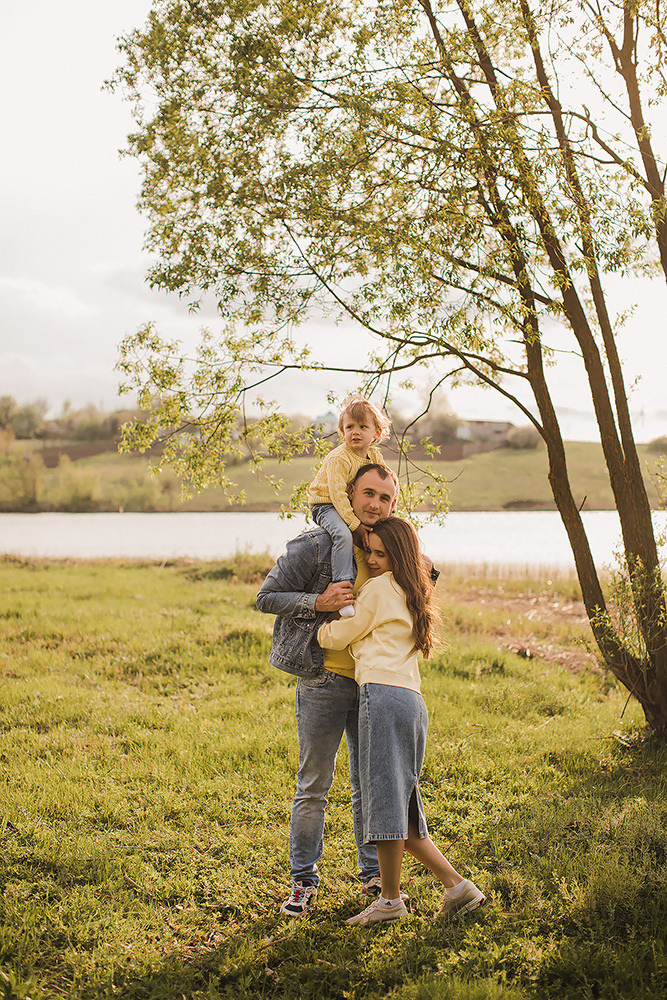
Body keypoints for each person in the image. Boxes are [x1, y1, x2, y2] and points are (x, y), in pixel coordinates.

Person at [317, 517, 485, 926]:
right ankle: (455, 888)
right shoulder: (415, 589)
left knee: (384, 804)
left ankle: (392, 901)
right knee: (400, 810)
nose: (373, 561)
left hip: (382, 697)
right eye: (370, 552)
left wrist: (318, 625)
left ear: (399, 555)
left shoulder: (378, 589)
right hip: (410, 701)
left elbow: (341, 634)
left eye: (382, 553)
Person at [256, 463, 399, 917]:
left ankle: (373, 874)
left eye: (385, 498)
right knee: (314, 784)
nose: (375, 504)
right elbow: (265, 597)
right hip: (322, 678)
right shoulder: (318, 545)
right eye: (368, 493)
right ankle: (303, 880)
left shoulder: (392, 548)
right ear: (349, 494)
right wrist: (317, 602)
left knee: (368, 784)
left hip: (374, 684)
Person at [308, 397, 391, 616]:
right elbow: (337, 495)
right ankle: (343, 590)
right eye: (349, 427)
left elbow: (389, 480)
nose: (355, 432)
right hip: (325, 504)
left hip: (346, 503)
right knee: (343, 535)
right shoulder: (339, 458)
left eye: (363, 427)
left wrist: (391, 510)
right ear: (342, 432)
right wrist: (355, 525)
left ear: (376, 433)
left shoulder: (374, 455)